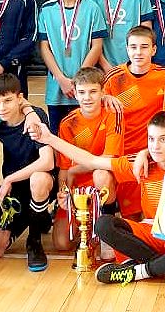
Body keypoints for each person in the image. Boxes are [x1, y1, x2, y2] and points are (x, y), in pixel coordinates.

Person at [35, 111, 165, 287]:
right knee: (104, 225)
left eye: (163, 139)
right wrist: (49, 138)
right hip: (151, 234)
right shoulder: (143, 165)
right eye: (151, 139)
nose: (155, 146)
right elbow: (92, 161)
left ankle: (138, 271)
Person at [0, 73, 55, 272]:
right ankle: (38, 215)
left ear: (20, 98)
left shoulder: (36, 117)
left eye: (8, 101)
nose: (2, 107)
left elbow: (47, 162)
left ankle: (34, 240)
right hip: (16, 188)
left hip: (42, 181)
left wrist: (9, 179)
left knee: (38, 180)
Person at [52, 67, 122, 257]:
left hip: (104, 182)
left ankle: (107, 227)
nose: (87, 98)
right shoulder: (67, 123)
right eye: (82, 92)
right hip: (78, 188)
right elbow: (64, 168)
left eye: (93, 91)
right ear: (74, 93)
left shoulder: (112, 114)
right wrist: (64, 193)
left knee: (101, 174)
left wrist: (75, 170)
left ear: (103, 92)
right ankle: (87, 224)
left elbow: (108, 160)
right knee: (61, 243)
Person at [102, 25, 165, 216]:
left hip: (153, 153)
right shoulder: (114, 78)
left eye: (144, 47)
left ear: (154, 50)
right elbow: (93, 104)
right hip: (123, 154)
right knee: (130, 218)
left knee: (152, 217)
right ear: (127, 49)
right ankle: (108, 216)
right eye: (133, 47)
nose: (138, 52)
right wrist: (103, 97)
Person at [37, 0, 107, 135]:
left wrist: (78, 81)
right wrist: (61, 79)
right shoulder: (46, 9)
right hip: (57, 88)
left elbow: (97, 46)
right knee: (58, 137)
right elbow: (44, 47)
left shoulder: (92, 9)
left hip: (84, 89)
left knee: (85, 138)